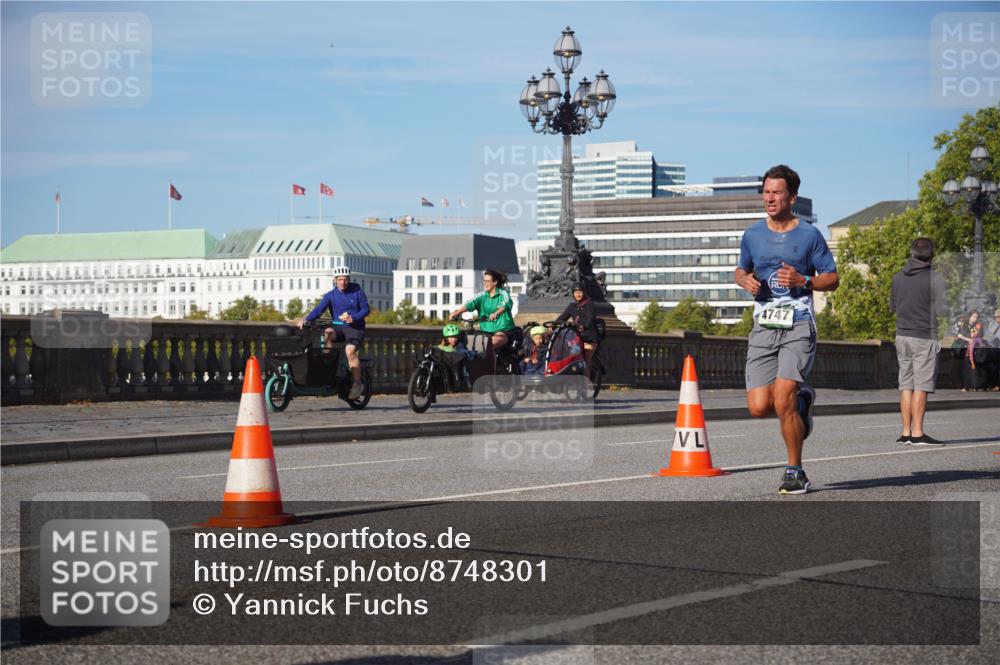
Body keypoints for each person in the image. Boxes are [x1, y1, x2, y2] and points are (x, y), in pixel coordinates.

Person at [734, 164, 838, 495]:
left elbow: (832, 278)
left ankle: (795, 470)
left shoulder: (809, 234)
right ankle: (804, 400)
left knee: (782, 400)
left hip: (798, 324)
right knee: (758, 406)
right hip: (764, 325)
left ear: (792, 196)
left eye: (777, 192)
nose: (770, 197)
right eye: (766, 191)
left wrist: (803, 280)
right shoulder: (752, 234)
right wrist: (744, 280)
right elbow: (740, 269)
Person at [889, 237, 950, 446]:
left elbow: (894, 306)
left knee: (906, 384)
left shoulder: (898, 277)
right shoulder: (936, 278)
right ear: (932, 256)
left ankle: (905, 432)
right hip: (924, 336)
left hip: (902, 336)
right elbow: (943, 310)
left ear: (912, 253)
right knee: (921, 386)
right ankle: (918, 433)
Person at [298, 265, 369, 400]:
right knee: (327, 333)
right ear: (335, 280)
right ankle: (328, 365)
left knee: (349, 351)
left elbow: (365, 309)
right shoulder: (330, 296)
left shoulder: (357, 290)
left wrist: (354, 318)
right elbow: (318, 310)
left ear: (349, 279)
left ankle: (357, 383)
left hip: (355, 328)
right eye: (340, 279)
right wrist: (305, 319)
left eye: (345, 279)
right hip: (339, 328)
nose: (343, 282)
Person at [448, 269, 519, 355]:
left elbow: (506, 304)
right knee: (472, 347)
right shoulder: (481, 296)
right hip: (486, 331)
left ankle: (492, 367)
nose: (485, 283)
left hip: (503, 331)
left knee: (489, 345)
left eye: (487, 281)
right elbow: (470, 304)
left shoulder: (503, 293)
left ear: (495, 282)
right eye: (484, 281)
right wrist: (457, 313)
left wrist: (496, 313)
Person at [557, 282, 598, 372]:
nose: (578, 295)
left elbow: (590, 319)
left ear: (584, 292)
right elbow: (562, 318)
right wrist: (554, 325)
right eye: (576, 293)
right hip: (575, 338)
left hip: (588, 337)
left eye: (580, 292)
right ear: (573, 294)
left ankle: (586, 384)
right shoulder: (572, 306)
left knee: (585, 362)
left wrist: (584, 326)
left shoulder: (589, 305)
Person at [437, 323, 478, 389]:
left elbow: (461, 352)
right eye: (451, 337)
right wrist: (442, 346)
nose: (454, 339)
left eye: (455, 337)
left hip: (459, 364)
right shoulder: (445, 344)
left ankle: (466, 380)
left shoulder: (460, 344)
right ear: (446, 338)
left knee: (464, 368)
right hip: (449, 363)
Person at [961, 322, 989, 391]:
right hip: (972, 359)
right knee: (969, 371)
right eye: (973, 330)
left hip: (975, 359)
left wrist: (973, 360)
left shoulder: (980, 341)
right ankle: (971, 386)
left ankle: (974, 386)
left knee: (976, 371)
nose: (974, 332)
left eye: (976, 330)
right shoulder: (972, 340)